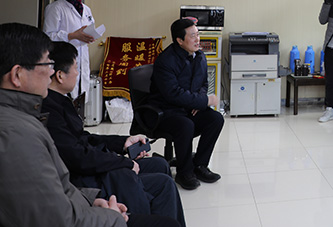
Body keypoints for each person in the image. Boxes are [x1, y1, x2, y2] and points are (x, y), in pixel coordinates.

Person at [0, 22, 178, 227]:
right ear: (17, 75)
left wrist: (89, 199)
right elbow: (57, 216)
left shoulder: (31, 114)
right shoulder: (17, 134)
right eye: (47, 64)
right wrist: (111, 215)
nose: (50, 72)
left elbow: (67, 172)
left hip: (81, 199)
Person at [42, 41, 186, 226]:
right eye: (76, 68)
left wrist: (123, 143)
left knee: (160, 165)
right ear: (60, 75)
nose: (78, 73)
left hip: (89, 166)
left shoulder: (60, 101)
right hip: (84, 178)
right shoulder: (49, 110)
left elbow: (83, 138)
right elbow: (77, 156)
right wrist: (123, 162)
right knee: (164, 184)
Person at [148, 18, 224, 190]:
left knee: (216, 119)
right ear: (180, 40)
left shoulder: (199, 56)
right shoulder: (165, 61)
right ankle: (184, 172)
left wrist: (199, 101)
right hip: (165, 111)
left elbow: (203, 84)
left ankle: (200, 165)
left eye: (198, 34)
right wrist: (204, 101)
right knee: (185, 124)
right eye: (192, 36)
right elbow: (173, 94)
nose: (198, 39)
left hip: (189, 107)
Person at [43, 0, 96, 101]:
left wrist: (90, 36)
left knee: (80, 101)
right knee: (64, 101)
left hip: (81, 62)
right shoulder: (56, 8)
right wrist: (71, 36)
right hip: (62, 61)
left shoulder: (86, 9)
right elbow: (48, 37)